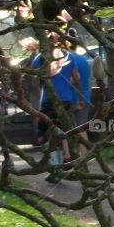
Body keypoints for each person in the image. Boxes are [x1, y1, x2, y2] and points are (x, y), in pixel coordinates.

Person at [33, 40, 85, 182]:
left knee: (42, 132)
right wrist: (80, 98)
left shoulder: (41, 58)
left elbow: (32, 72)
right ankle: (58, 166)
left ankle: (53, 165)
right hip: (66, 99)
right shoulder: (68, 56)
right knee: (60, 133)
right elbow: (76, 79)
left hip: (48, 100)